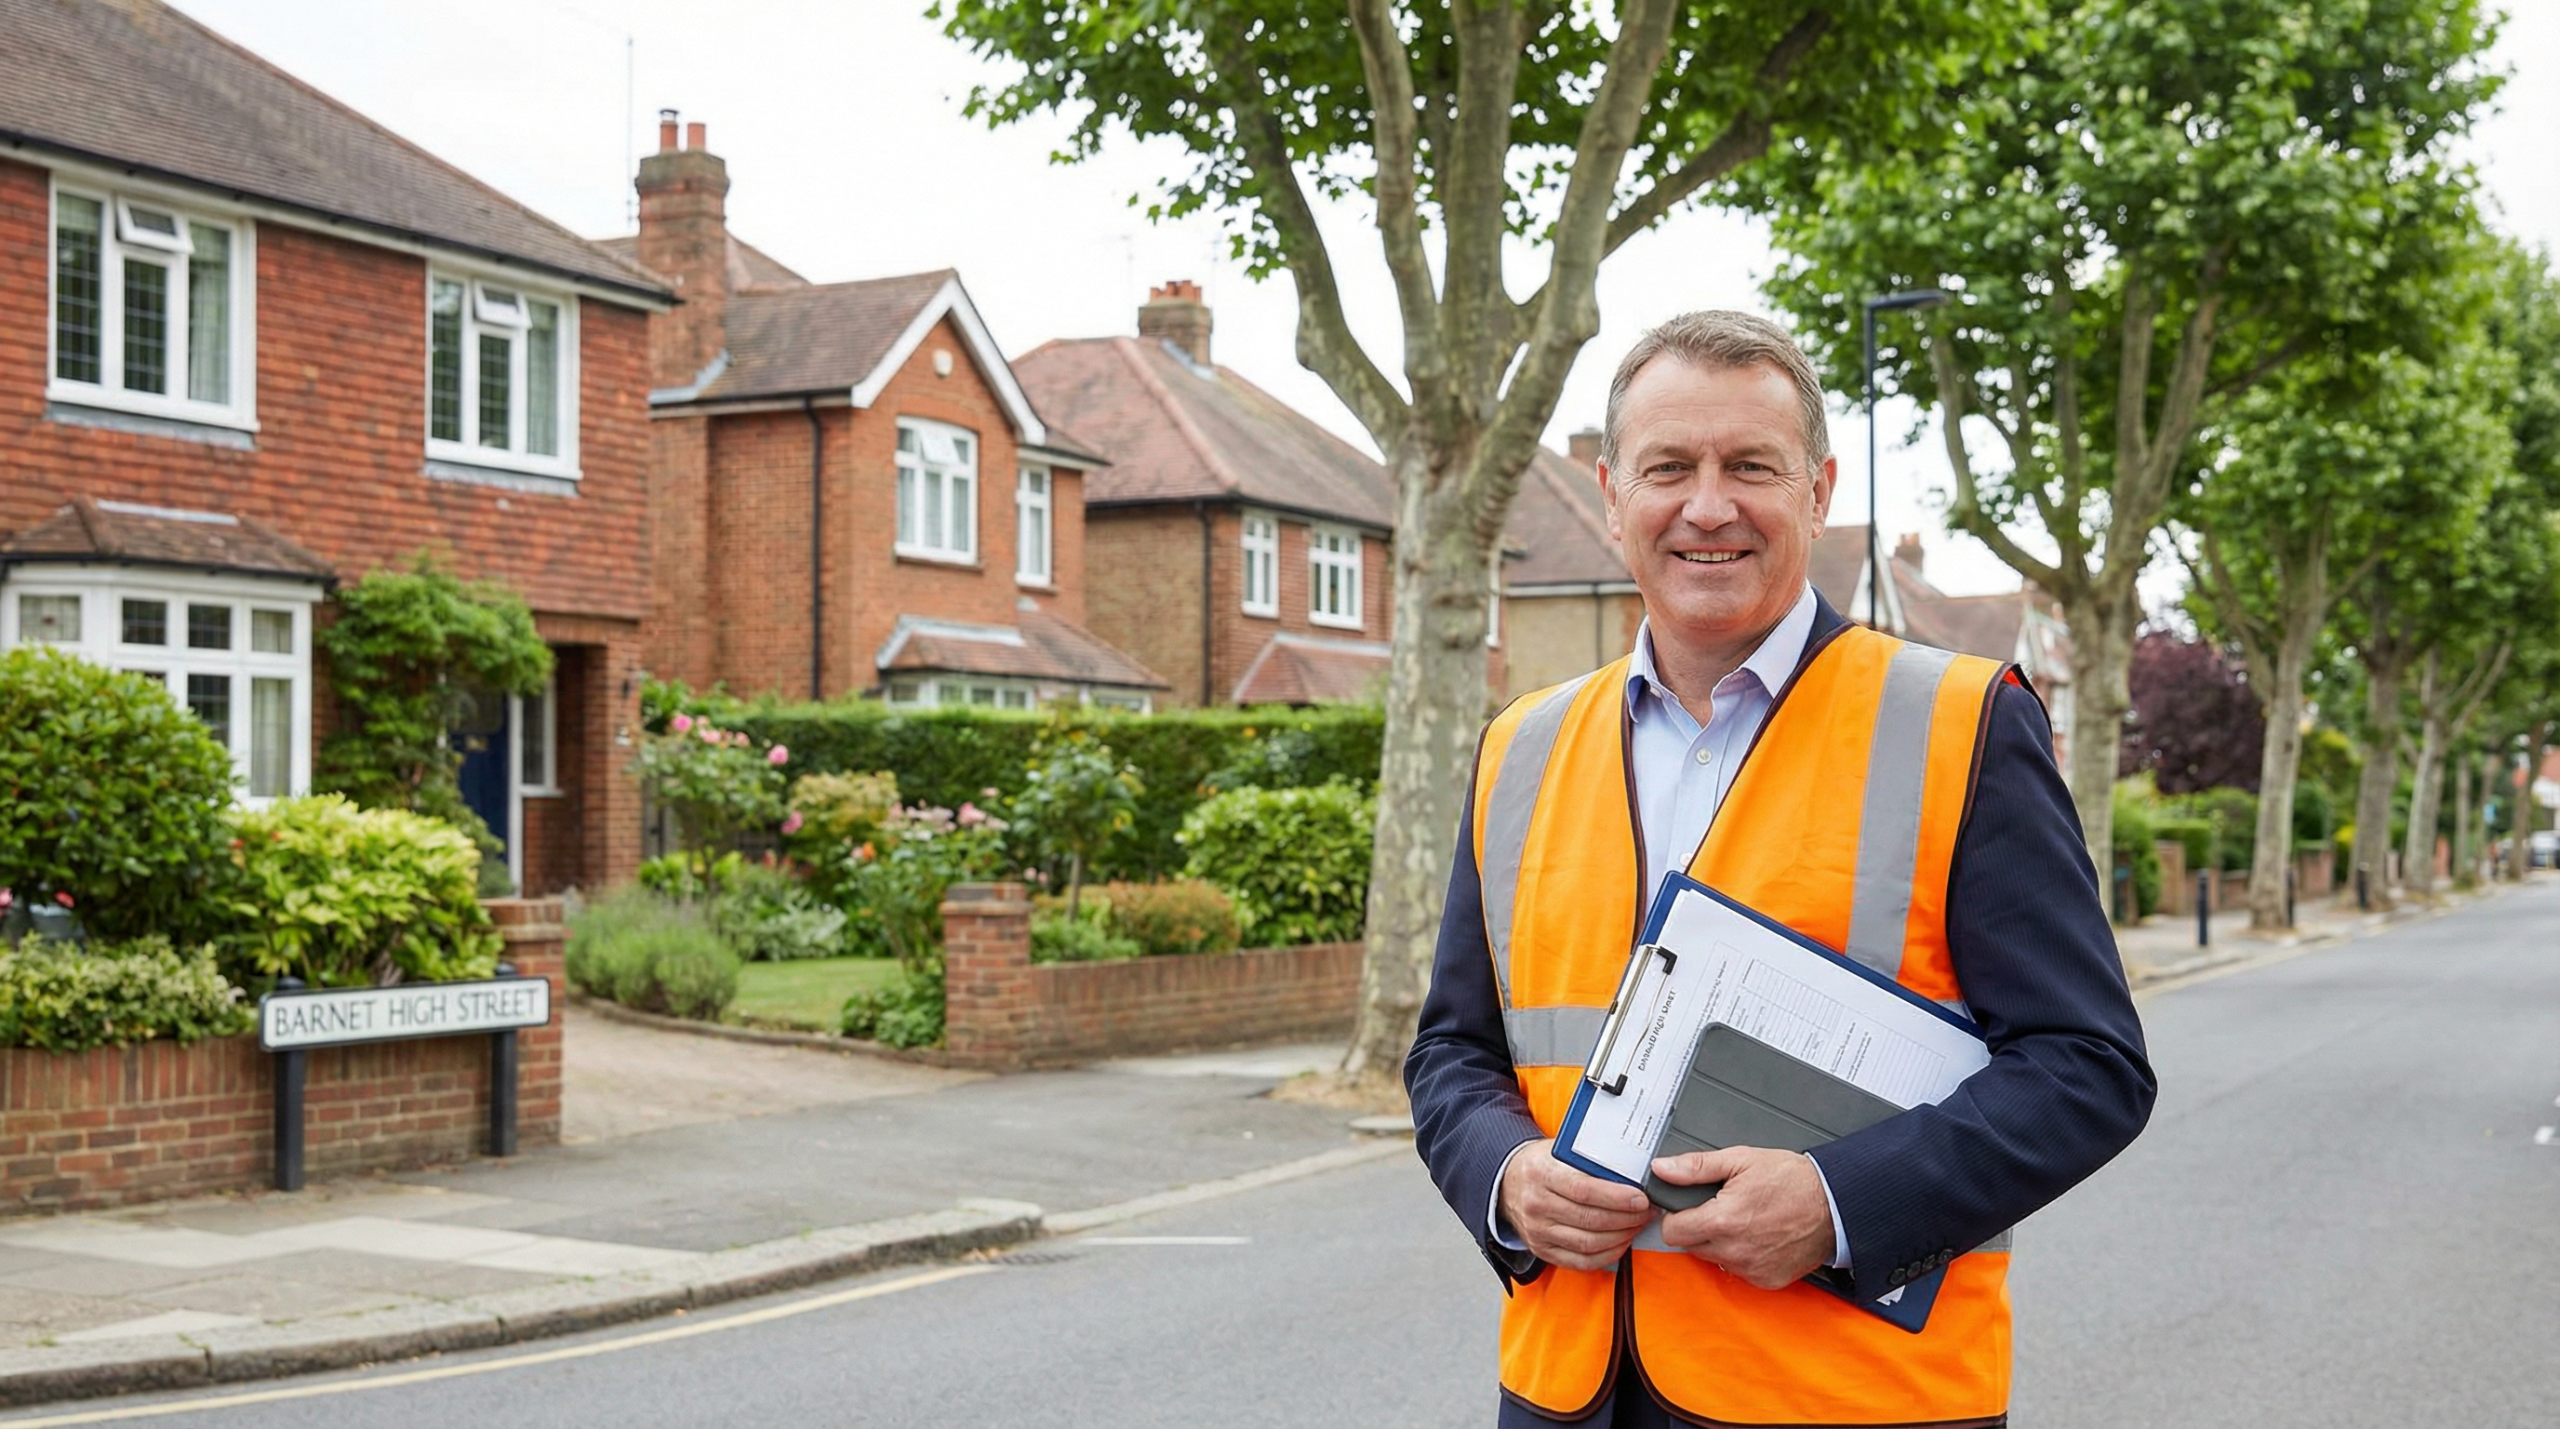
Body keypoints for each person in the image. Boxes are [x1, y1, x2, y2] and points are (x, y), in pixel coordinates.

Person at [1406, 311, 2154, 1427]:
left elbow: (2088, 1066)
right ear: (1612, 495)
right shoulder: (1518, 747)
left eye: (1750, 466)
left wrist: (1836, 1200)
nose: (1707, 505)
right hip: (1568, 1391)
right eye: (1668, 468)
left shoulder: (1961, 722)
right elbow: (1451, 1054)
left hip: (1849, 1396)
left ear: (1816, 490)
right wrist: (1506, 1177)